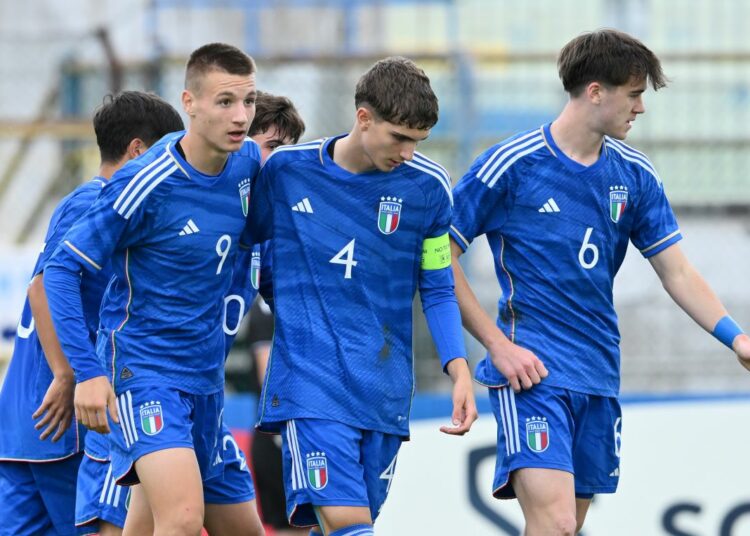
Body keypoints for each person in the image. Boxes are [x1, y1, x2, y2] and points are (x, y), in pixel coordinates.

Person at [448, 29, 750, 535]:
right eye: (634, 94)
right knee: (558, 524)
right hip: (533, 373)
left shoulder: (634, 175)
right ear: (595, 92)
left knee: (566, 529)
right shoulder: (511, 165)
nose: (641, 108)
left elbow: (676, 270)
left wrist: (735, 337)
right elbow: (438, 255)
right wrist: (496, 345)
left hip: (598, 374)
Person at [243, 56, 478, 536]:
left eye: (418, 141)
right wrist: (277, 290)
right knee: (351, 527)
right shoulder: (288, 172)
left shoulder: (428, 189)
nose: (408, 153)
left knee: (344, 526)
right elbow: (248, 245)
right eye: (399, 138)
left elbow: (436, 284)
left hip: (383, 391)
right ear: (364, 118)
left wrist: (459, 368)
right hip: (309, 388)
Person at [43, 43, 264, 536]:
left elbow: (263, 244)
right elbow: (60, 270)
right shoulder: (147, 181)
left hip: (205, 381)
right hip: (143, 373)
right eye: (225, 101)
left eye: (249, 101)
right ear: (190, 102)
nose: (241, 116)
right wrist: (88, 373)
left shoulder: (248, 165)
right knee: (184, 519)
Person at [0, 90, 184, 536]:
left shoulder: (78, 201)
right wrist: (69, 375)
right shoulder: (100, 203)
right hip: (64, 416)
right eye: (167, 153)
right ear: (139, 150)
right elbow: (43, 288)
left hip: (26, 422)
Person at [224, 90, 308, 536]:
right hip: (158, 390)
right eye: (274, 147)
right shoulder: (206, 204)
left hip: (204, 403)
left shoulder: (272, 236)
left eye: (289, 151)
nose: (283, 163)